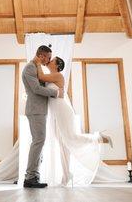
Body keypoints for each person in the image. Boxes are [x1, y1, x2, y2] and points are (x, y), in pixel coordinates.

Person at [35, 56, 114, 186]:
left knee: (71, 138)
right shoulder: (51, 75)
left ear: (57, 65)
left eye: (52, 60)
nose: (49, 61)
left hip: (62, 111)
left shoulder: (58, 76)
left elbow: (41, 77)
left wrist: (37, 61)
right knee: (62, 144)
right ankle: (66, 176)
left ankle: (98, 137)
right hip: (54, 113)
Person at [21, 45, 63, 188]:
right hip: (35, 110)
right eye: (48, 57)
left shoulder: (37, 68)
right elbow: (36, 89)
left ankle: (34, 176)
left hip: (40, 110)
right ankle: (30, 177)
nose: (49, 60)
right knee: (38, 141)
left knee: (39, 141)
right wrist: (56, 93)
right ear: (41, 56)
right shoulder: (29, 68)